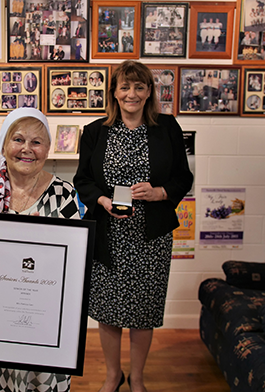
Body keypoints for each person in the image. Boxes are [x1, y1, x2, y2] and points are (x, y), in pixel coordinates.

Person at [73, 61, 193, 392]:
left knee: (144, 310)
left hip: (150, 234)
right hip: (108, 235)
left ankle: (136, 377)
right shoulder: (96, 131)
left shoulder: (167, 127)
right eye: (125, 87)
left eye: (140, 87)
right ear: (114, 92)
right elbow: (82, 179)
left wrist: (161, 192)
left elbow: (184, 176)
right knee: (108, 310)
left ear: (149, 92)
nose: (132, 94)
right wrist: (102, 200)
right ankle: (114, 375)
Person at [0, 108, 80, 392]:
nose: (27, 149)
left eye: (37, 141)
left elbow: (72, 273)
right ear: (4, 144)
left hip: (43, 328)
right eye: (18, 139)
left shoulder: (65, 196)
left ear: (48, 148)